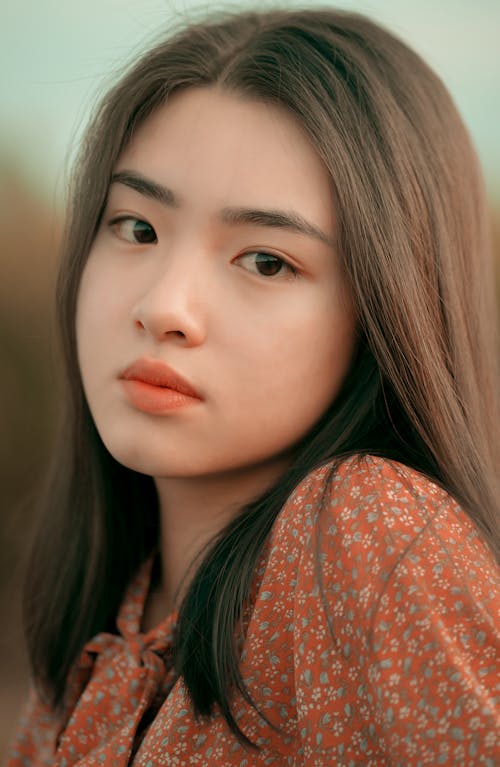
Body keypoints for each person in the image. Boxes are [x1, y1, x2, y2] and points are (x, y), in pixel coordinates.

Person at [7, 6, 500, 766]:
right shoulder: (107, 625)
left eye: (266, 260)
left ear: (386, 312)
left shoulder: (368, 529)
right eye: (137, 227)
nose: (163, 306)